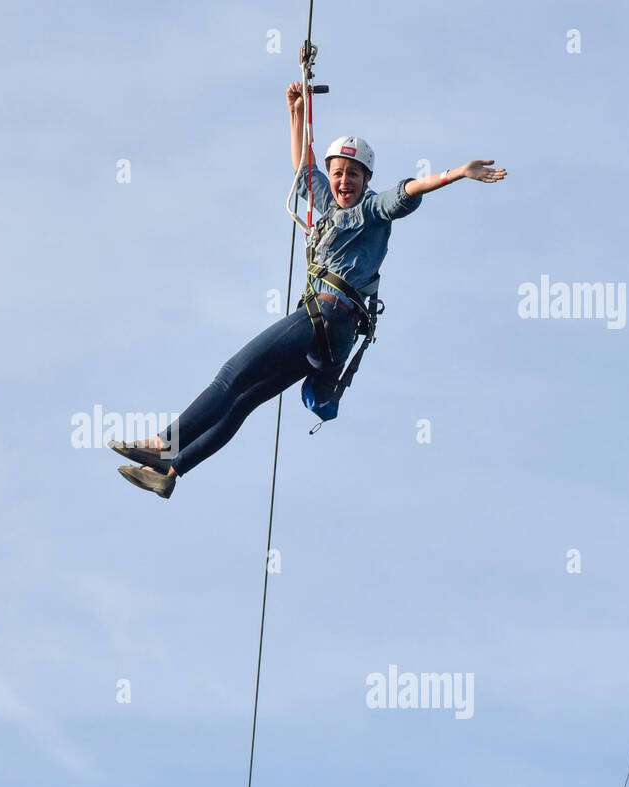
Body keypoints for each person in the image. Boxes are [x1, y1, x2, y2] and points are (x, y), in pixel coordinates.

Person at [112, 80, 506, 498]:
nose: (343, 181)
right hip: (329, 340)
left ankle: (162, 444)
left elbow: (406, 192)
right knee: (243, 399)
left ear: (366, 178)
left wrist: (458, 174)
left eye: (353, 174)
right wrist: (294, 111)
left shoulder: (372, 209)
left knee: (231, 375)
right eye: (338, 173)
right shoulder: (329, 205)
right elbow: (304, 167)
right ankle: (171, 473)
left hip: (329, 314)